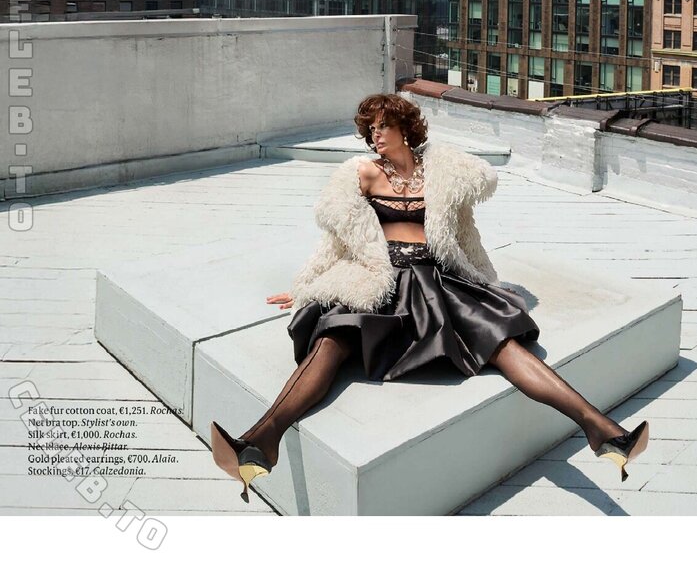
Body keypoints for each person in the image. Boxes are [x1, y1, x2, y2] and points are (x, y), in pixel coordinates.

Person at [210, 93, 648, 504]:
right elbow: (337, 239)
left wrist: (486, 280)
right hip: (379, 279)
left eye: (383, 126)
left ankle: (603, 430)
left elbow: (466, 234)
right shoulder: (362, 173)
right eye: (370, 130)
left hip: (435, 280)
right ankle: (260, 442)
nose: (375, 136)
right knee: (332, 339)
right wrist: (306, 284)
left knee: (502, 344)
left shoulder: (441, 172)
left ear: (405, 128)